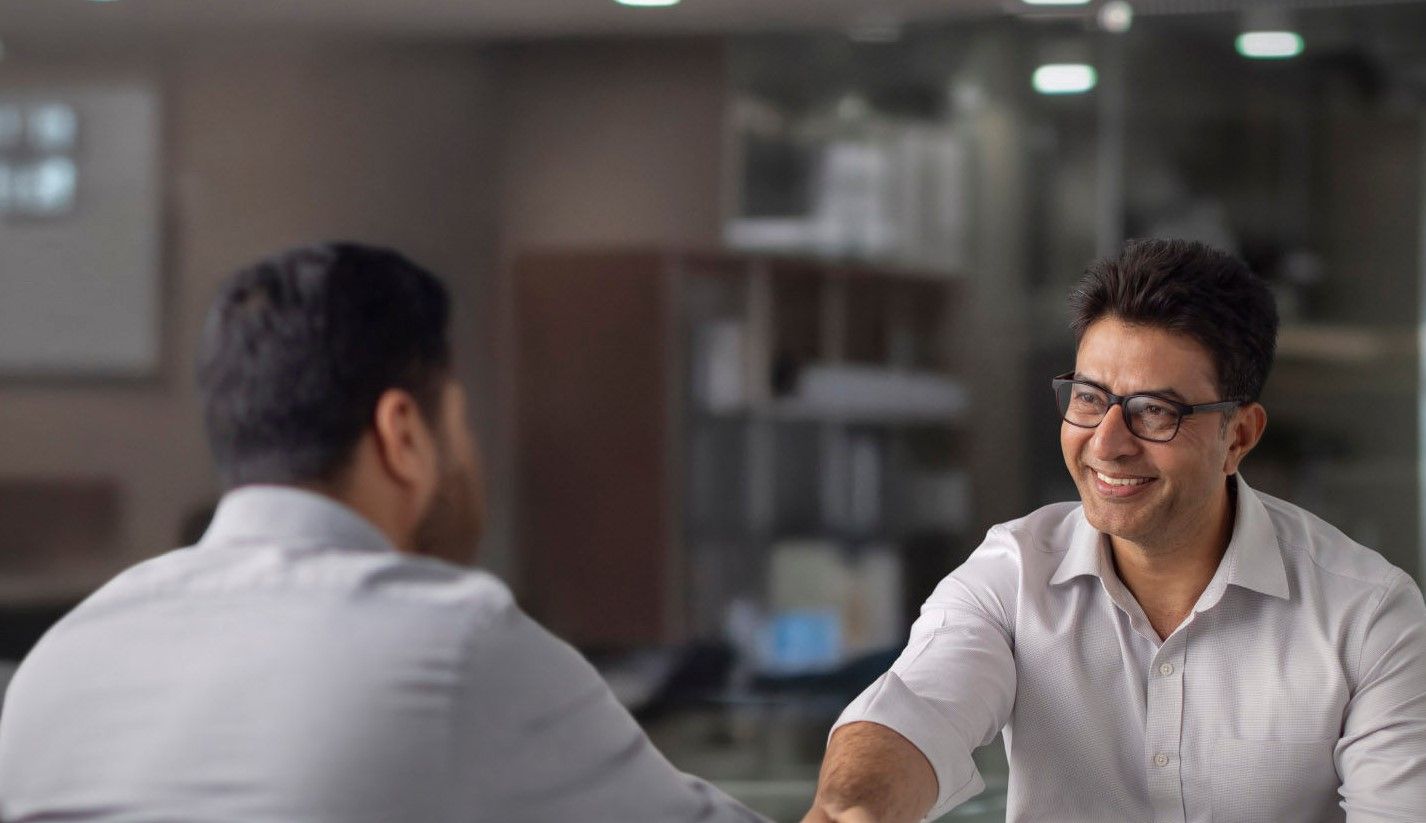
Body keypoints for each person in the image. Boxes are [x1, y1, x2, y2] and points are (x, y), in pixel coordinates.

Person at [0, 243, 766, 823]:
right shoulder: (461, 645)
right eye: (459, 425)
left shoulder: (57, 663)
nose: (469, 459)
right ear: (402, 434)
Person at [802, 239, 1426, 823]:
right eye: (1089, 398)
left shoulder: (1367, 615)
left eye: (1155, 410)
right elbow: (916, 712)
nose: (1106, 444)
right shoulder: (1014, 574)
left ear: (1238, 436)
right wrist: (857, 804)